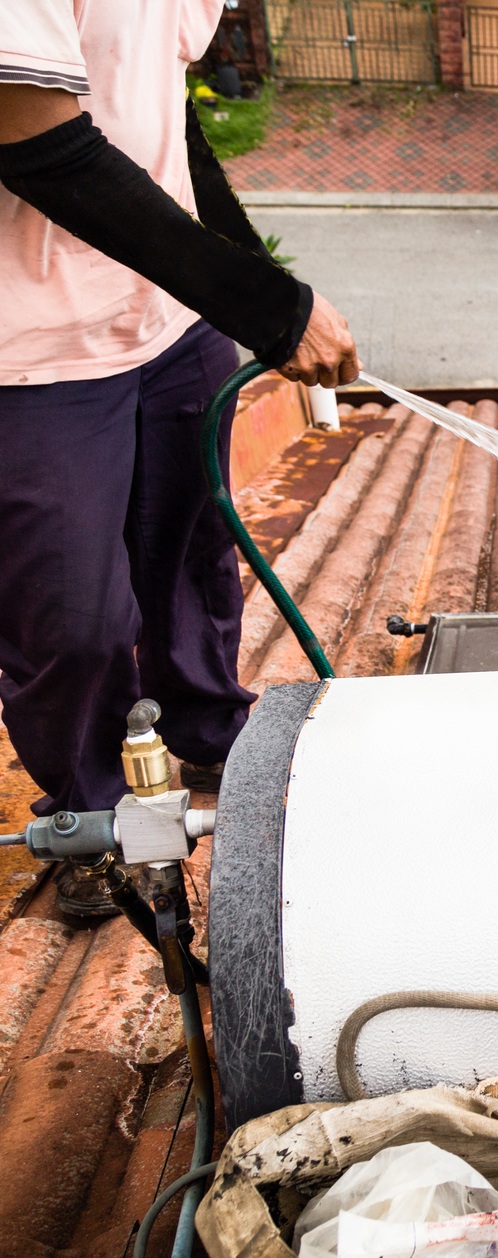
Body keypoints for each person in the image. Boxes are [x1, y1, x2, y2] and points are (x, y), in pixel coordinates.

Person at [0, 0, 360, 917]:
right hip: (29, 354)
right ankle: (89, 811)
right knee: (72, 618)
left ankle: (206, 725)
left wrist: (253, 280)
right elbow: (38, 139)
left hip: (167, 326)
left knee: (194, 559)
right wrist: (266, 305)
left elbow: (160, 106)